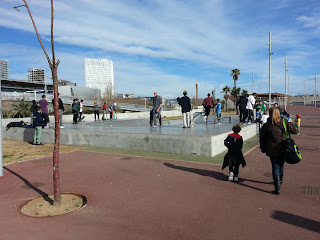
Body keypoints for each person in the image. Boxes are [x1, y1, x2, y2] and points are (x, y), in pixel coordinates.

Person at [260, 107, 298, 195]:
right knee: (281, 164)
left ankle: (277, 188)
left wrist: (262, 147)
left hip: (272, 148)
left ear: (270, 114)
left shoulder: (267, 125)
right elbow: (295, 131)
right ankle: (280, 181)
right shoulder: (284, 122)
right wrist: (293, 124)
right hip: (284, 148)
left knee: (275, 166)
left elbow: (262, 137)